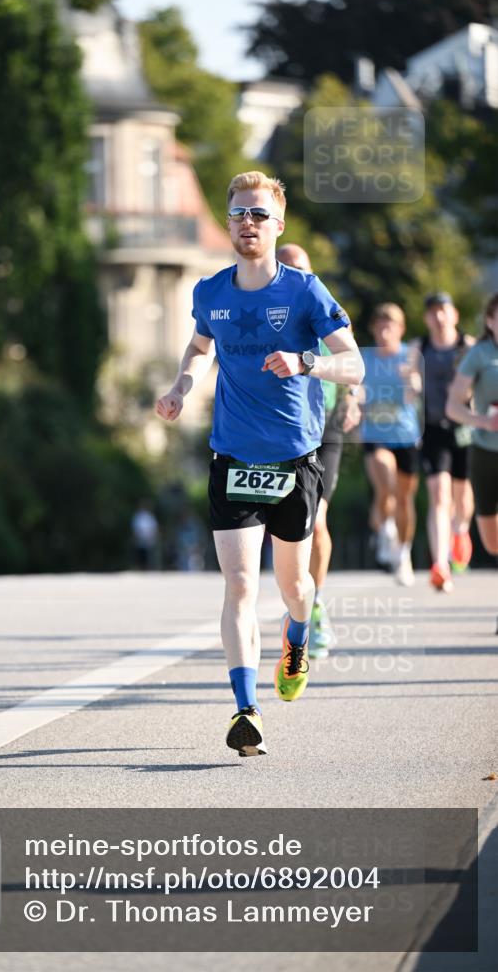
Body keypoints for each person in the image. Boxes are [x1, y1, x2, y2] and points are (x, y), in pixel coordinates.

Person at [156, 171, 364, 757]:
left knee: (294, 587)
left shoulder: (305, 291)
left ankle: (297, 635)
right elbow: (200, 346)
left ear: (278, 225)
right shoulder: (210, 292)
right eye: (238, 213)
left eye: (258, 214)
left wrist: (306, 362)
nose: (247, 223)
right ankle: (246, 709)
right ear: (228, 222)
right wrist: (180, 387)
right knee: (241, 584)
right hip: (232, 456)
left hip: (295, 459)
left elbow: (354, 365)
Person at [276, 243, 361, 657]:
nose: (294, 275)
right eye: (286, 268)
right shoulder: (266, 311)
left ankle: (316, 603)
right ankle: (296, 600)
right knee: (284, 522)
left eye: (301, 269)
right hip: (280, 426)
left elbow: (353, 360)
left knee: (318, 518)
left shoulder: (324, 307)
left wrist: (354, 400)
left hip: (324, 425)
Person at [410, 292, 475, 592]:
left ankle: (460, 530)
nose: (438, 317)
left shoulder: (468, 346)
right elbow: (408, 382)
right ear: (426, 317)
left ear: (454, 315)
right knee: (439, 495)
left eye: (443, 310)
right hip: (432, 428)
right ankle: (440, 563)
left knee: (462, 497)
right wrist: (410, 384)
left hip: (465, 428)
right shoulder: (419, 347)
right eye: (433, 311)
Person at [360, 304, 421, 586]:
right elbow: (356, 388)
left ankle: (403, 554)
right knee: (385, 484)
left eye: (391, 325)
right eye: (380, 324)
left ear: (401, 329)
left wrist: (412, 382)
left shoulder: (409, 356)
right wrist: (356, 399)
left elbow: (415, 391)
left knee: (404, 499)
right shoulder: (365, 358)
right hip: (375, 434)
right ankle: (385, 529)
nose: (385, 329)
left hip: (406, 435)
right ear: (374, 328)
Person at [445, 293, 498, 558]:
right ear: (490, 321)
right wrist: (484, 421)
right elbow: (453, 406)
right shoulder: (479, 354)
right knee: (492, 543)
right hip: (485, 451)